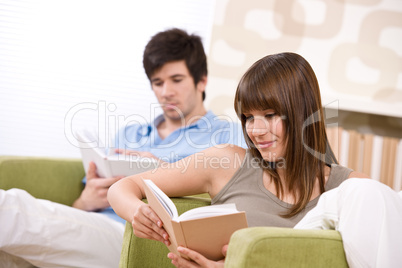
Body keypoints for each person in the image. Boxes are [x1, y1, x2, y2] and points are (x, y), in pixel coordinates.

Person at [108, 52, 402, 268]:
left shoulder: (348, 189)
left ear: (301, 115)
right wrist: (136, 211)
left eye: (270, 116)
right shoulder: (225, 163)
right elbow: (122, 187)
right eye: (249, 118)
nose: (256, 131)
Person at [0, 28, 245, 268]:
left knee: (11, 210)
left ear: (202, 81)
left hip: (135, 236)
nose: (166, 92)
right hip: (89, 225)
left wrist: (162, 171)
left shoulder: (227, 137)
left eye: (176, 80)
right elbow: (76, 210)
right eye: (157, 83)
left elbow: (241, 199)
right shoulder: (129, 134)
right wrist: (87, 200)